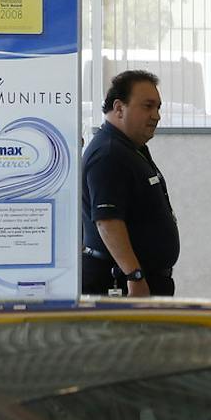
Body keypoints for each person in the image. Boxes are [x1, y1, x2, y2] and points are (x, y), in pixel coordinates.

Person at [80, 70, 179, 297]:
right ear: (119, 108)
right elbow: (107, 221)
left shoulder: (130, 149)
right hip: (122, 283)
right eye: (148, 106)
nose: (156, 115)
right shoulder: (109, 153)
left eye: (158, 107)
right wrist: (134, 275)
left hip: (143, 280)